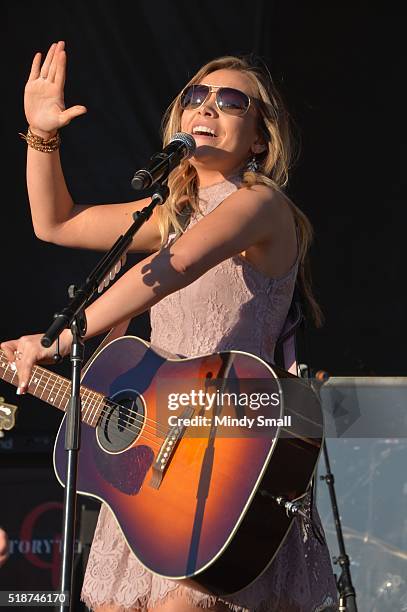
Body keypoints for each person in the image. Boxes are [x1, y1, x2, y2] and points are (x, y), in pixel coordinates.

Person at [0, 41, 338, 611]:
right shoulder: (173, 216)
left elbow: (172, 268)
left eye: (230, 100)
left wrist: (58, 339)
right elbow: (55, 222)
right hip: (155, 473)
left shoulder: (261, 204)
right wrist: (41, 135)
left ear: (259, 137)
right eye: (195, 97)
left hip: (224, 458)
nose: (206, 107)